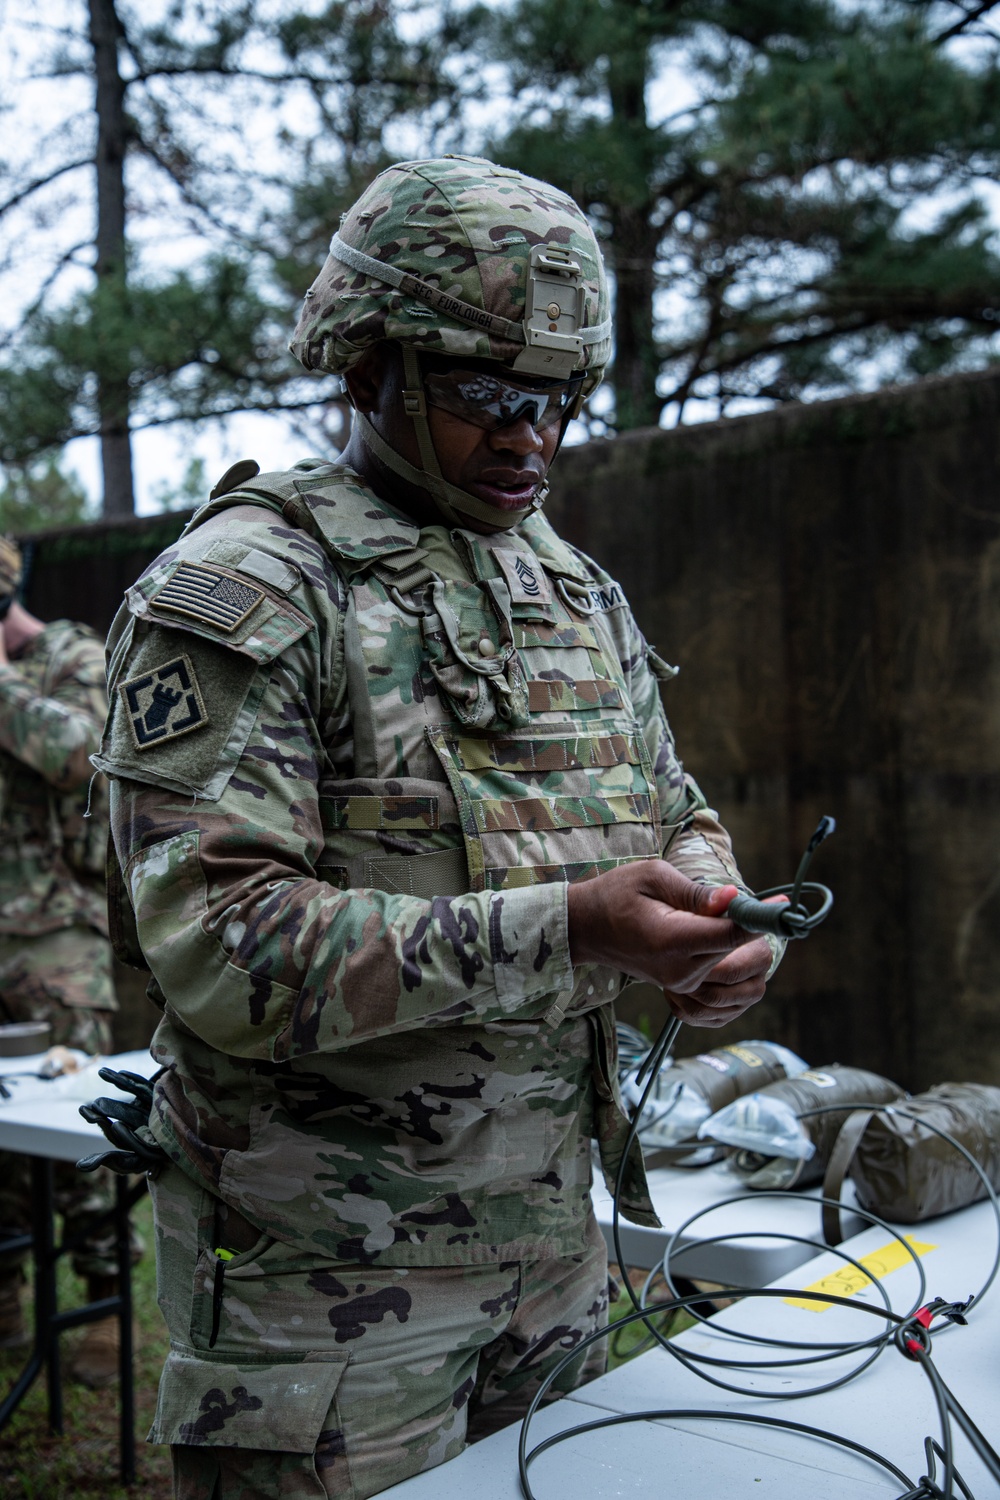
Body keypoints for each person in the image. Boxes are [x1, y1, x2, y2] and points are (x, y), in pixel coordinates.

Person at [94, 156, 784, 1498]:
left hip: (555, 1258)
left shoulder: (575, 590)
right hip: (329, 1290)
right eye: (482, 393)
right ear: (365, 369)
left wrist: (714, 918)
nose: (530, 433)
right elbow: (219, 948)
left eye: (556, 397)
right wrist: (574, 926)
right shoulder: (246, 590)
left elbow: (675, 807)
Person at [0, 535, 127, 1386]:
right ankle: (6, 1302)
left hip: (54, 939)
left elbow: (88, 758)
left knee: (79, 1129)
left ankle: (106, 1314)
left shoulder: (71, 654)